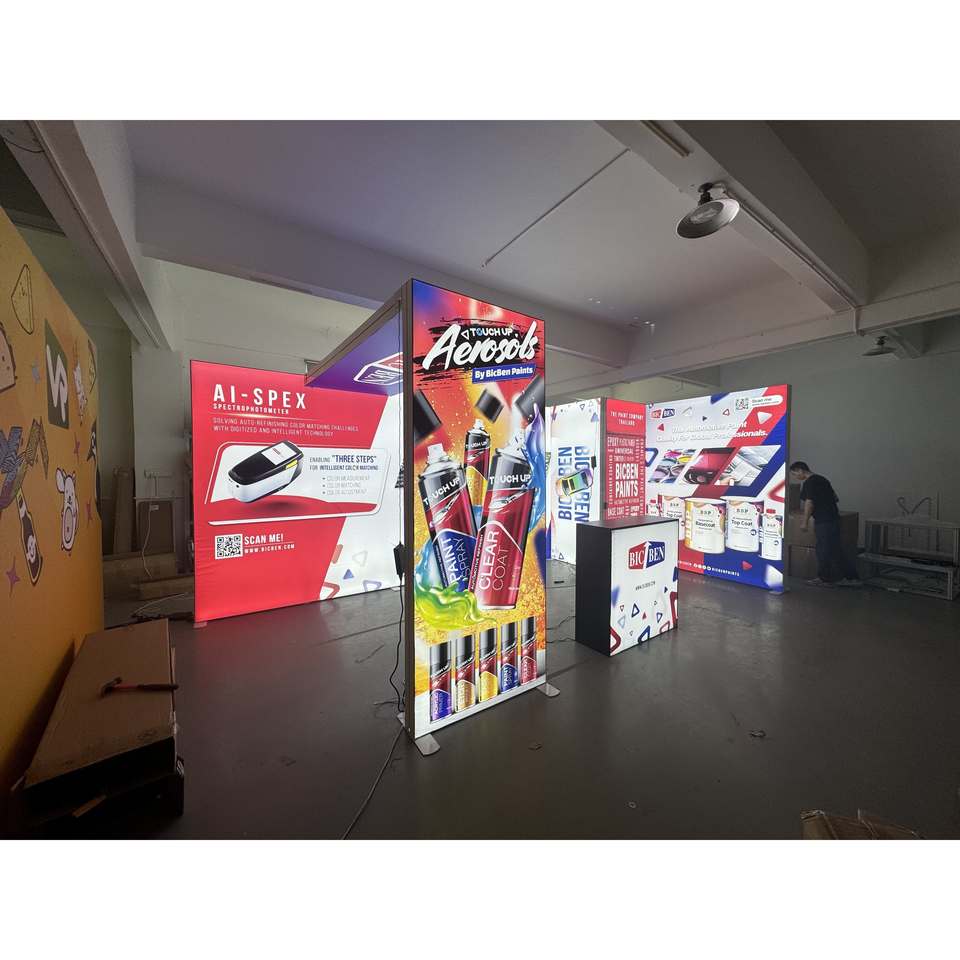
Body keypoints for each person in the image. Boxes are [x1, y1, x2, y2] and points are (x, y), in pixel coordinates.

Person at [789, 461, 861, 587]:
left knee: (823, 550)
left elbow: (809, 503)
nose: (796, 477)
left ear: (800, 470)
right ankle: (851, 578)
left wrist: (805, 522)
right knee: (835, 549)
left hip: (823, 521)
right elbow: (835, 498)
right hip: (833, 518)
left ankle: (825, 578)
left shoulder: (809, 482)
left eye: (795, 474)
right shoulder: (823, 479)